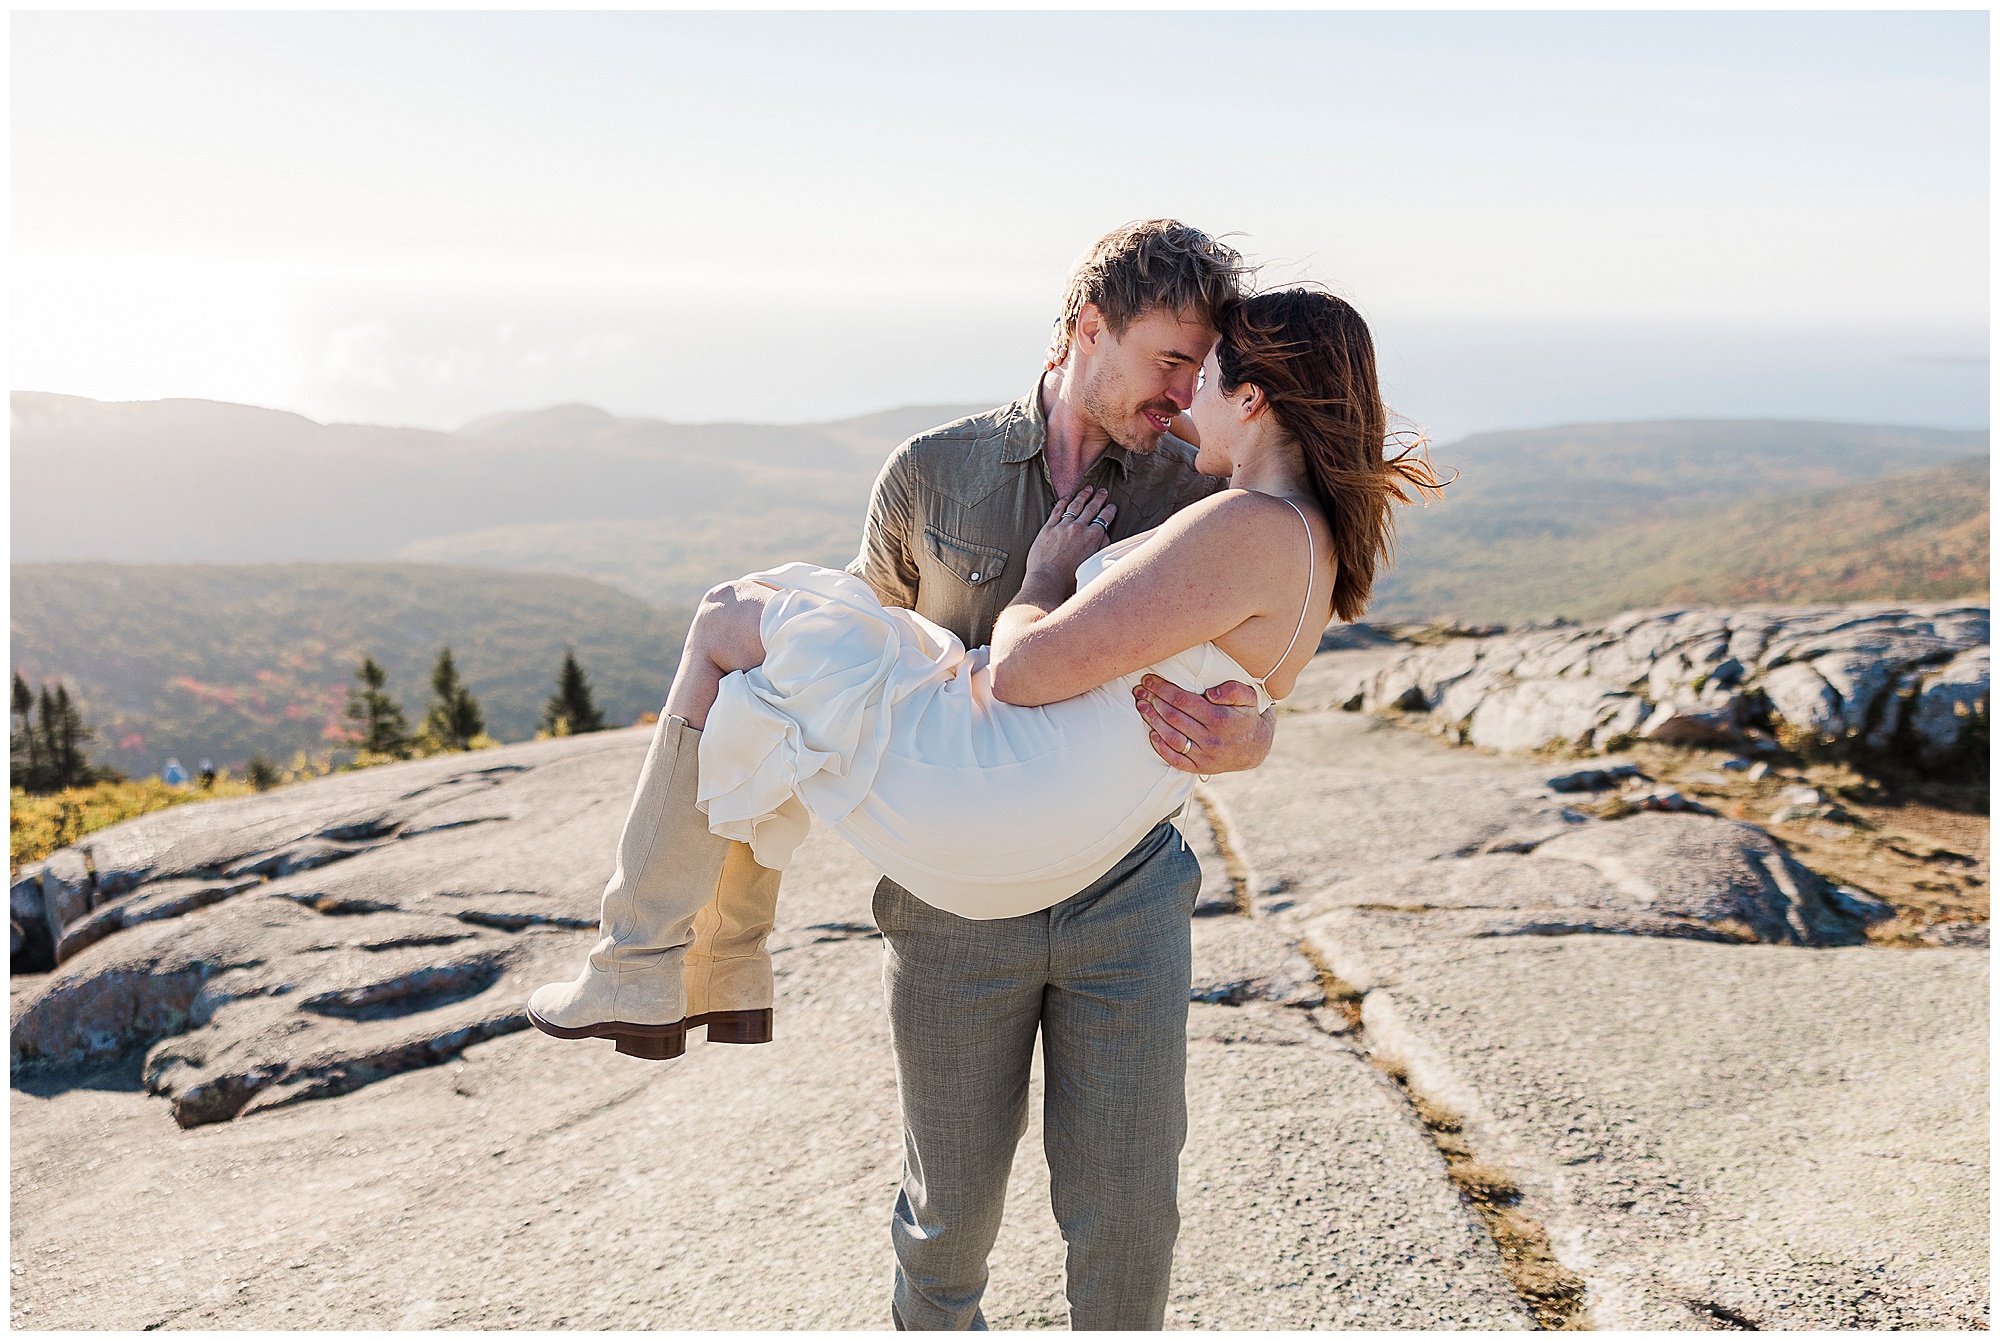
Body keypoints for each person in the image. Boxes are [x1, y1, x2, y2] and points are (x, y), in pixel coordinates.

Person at [529, 257, 1442, 1325]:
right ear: (1084, 330)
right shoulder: (933, 469)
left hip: (1114, 886)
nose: (1181, 392)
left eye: (1202, 369)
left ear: (1249, 394)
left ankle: (649, 958)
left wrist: (1243, 730)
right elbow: (868, 647)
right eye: (1168, 361)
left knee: (1126, 1208)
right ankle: (694, 959)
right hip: (958, 902)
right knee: (946, 1212)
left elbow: (1218, 645)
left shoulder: (1205, 485)